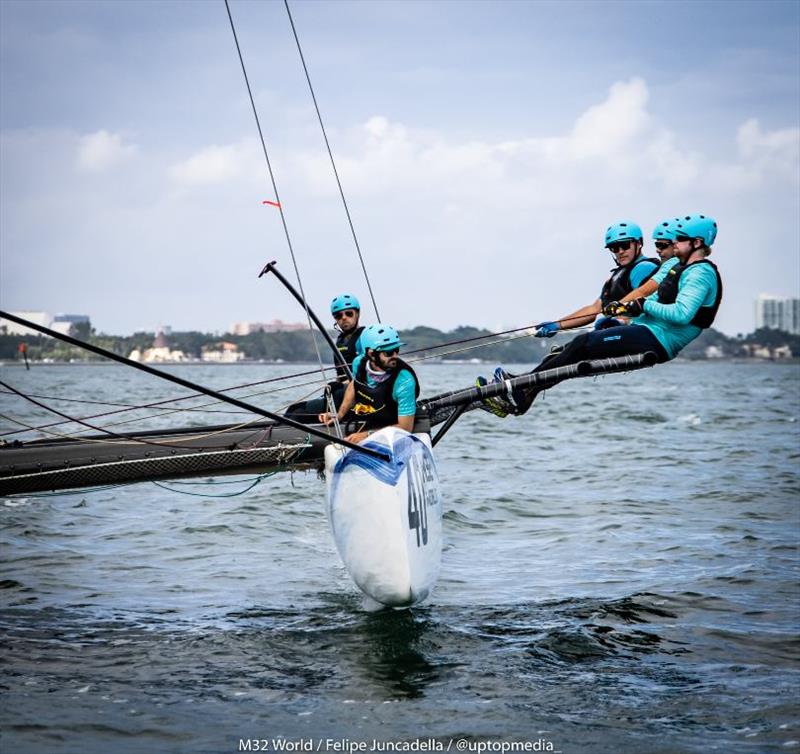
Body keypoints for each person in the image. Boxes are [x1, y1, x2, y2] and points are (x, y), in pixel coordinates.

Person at [481, 214, 722, 417]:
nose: (671, 245)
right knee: (567, 350)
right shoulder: (674, 267)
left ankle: (522, 388)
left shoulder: (699, 273)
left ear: (697, 242)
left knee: (581, 344)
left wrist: (635, 309)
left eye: (677, 240)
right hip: (648, 331)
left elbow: (678, 313)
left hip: (659, 340)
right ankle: (523, 390)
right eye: (614, 248)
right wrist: (558, 324)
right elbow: (638, 294)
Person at [533, 221, 660, 338]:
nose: (620, 251)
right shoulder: (616, 275)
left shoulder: (644, 267)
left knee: (578, 345)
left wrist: (619, 321)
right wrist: (557, 325)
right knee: (559, 354)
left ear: (639, 244)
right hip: (614, 332)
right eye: (615, 248)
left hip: (636, 332)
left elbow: (644, 302)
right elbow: (593, 310)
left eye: (625, 245)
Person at [320, 323, 419, 444]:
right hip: (370, 416)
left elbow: (405, 428)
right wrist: (339, 415)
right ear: (371, 354)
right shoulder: (358, 363)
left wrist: (367, 435)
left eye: (396, 350)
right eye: (388, 353)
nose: (395, 356)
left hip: (393, 424)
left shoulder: (404, 381)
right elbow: (354, 386)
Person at [284, 294, 365, 423]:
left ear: (358, 313)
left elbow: (369, 374)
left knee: (297, 414)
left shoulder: (365, 337)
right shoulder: (340, 341)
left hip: (356, 395)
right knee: (293, 409)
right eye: (339, 316)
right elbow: (340, 374)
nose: (344, 318)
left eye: (349, 314)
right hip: (339, 393)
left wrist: (342, 385)